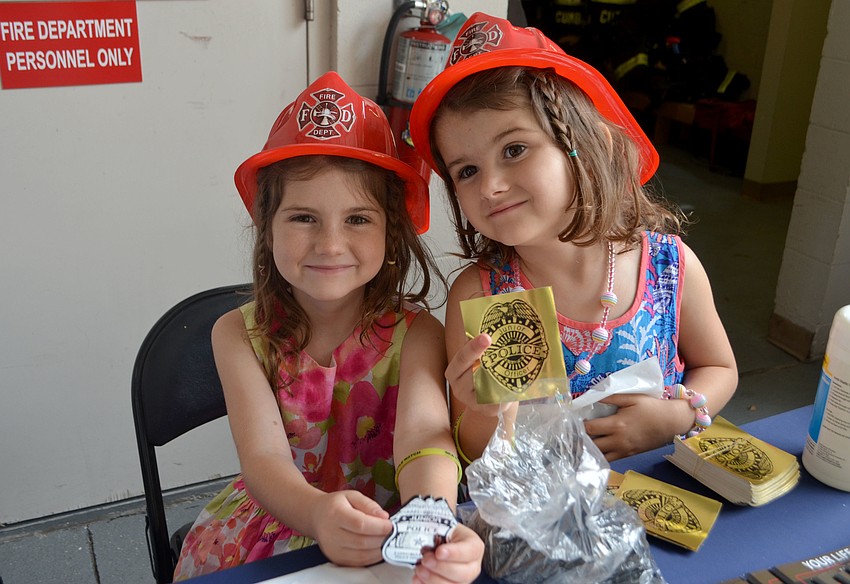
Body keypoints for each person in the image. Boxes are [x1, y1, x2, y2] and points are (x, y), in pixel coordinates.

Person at [174, 71, 484, 583]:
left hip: (393, 526)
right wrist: (317, 513)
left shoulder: (420, 333)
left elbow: (423, 439)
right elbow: (264, 460)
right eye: (303, 218)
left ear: (391, 232)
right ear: (266, 226)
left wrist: (433, 520)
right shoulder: (236, 334)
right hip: (281, 524)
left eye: (358, 219)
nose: (330, 244)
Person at [408, 13, 738, 464]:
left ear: (586, 143)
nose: (490, 186)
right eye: (467, 170)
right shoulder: (482, 295)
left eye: (514, 150)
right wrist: (484, 413)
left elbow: (719, 368)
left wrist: (677, 417)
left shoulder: (668, 268)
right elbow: (475, 447)